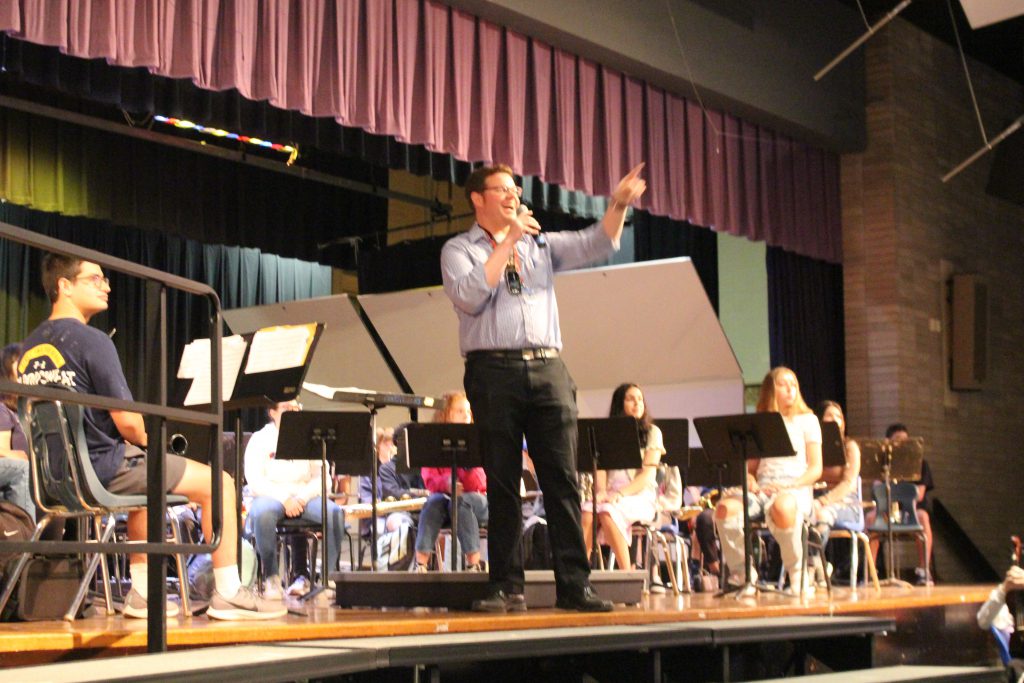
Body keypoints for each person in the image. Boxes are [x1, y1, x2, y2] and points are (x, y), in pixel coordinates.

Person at [17, 254, 285, 620]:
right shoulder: (93, 342)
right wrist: (151, 439)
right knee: (220, 484)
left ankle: (142, 595)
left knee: (146, 488)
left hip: (55, 481)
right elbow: (129, 424)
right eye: (95, 279)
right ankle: (229, 593)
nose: (107, 286)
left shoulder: (28, 350)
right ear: (63, 285)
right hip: (103, 470)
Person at [440, 162, 646, 613]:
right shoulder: (459, 249)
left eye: (516, 189)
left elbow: (596, 241)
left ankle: (575, 584)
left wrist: (618, 205)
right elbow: (472, 295)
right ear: (478, 198)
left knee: (562, 478)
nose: (514, 196)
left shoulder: (540, 245)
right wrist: (509, 240)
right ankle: (505, 585)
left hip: (548, 366)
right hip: (493, 370)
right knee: (502, 479)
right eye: (502, 190)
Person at [714, 367, 823, 596]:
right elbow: (751, 468)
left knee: (783, 507)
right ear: (771, 390)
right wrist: (751, 481)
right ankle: (743, 572)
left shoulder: (808, 420)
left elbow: (815, 468)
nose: (790, 389)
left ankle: (797, 573)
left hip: (795, 487)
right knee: (724, 509)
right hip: (763, 488)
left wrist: (790, 486)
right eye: (783, 384)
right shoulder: (761, 423)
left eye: (793, 384)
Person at [244, 400, 347, 599]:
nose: (293, 411)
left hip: (303, 495)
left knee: (334, 513)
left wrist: (301, 497)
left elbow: (323, 477)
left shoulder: (310, 438)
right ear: (272, 412)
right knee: (262, 514)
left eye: (295, 408)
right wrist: (285, 499)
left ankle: (328, 578)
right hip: (271, 495)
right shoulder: (260, 439)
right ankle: (272, 577)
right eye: (286, 408)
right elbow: (254, 479)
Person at [581, 383, 664, 570]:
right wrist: (601, 491)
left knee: (607, 511)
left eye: (640, 399)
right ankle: (580, 575)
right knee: (587, 512)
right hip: (610, 493)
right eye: (631, 399)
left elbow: (648, 475)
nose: (637, 403)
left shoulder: (652, 432)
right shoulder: (607, 431)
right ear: (620, 404)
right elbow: (600, 467)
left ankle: (627, 575)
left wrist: (620, 494)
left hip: (640, 494)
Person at [411, 391, 488, 572]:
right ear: (446, 413)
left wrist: (464, 470)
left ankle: (473, 563)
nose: (466, 415)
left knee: (460, 502)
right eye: (460, 411)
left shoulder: (477, 438)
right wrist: (446, 483)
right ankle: (421, 563)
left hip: (476, 500)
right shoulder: (433, 441)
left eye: (468, 412)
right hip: (445, 499)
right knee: (432, 502)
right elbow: (429, 479)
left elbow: (480, 482)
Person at [811, 400, 862, 582]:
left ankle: (813, 569)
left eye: (838, 417)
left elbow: (848, 483)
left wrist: (823, 501)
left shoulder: (850, 447)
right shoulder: (812, 448)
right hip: (815, 499)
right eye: (829, 416)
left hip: (847, 503)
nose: (835, 420)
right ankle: (818, 567)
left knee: (822, 515)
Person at [887, 422, 934, 586]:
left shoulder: (921, 464)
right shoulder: (884, 465)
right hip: (890, 509)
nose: (903, 443)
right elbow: (878, 489)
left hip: (912, 510)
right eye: (898, 439)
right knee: (871, 518)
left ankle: (924, 570)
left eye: (906, 439)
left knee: (923, 517)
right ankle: (867, 571)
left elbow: (919, 494)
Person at [0, 343, 34, 518]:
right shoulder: (3, 409)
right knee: (22, 468)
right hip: (15, 474)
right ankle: (23, 539)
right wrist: (23, 457)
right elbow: (1, 452)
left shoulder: (29, 410)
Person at [977, 565, 1024, 682]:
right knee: (1014, 668)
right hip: (1019, 663)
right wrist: (1003, 590)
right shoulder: (1013, 592)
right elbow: (983, 621)